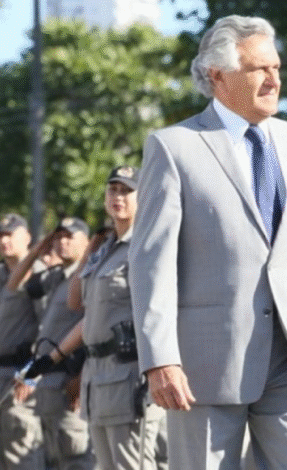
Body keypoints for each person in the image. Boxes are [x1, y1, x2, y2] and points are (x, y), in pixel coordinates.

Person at [128, 15, 287, 470]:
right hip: (204, 367)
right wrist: (160, 358)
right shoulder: (173, 147)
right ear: (216, 75)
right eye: (259, 69)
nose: (274, 79)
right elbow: (151, 264)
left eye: (277, 68)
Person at [26, 166, 167, 469]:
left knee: (133, 464)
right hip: (97, 374)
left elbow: (163, 310)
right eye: (112, 190)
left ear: (144, 197)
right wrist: (52, 357)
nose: (118, 196)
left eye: (127, 190)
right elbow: (79, 305)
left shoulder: (147, 245)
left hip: (129, 373)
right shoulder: (104, 251)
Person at [6, 217, 94, 470]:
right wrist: (35, 252)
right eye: (57, 237)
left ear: (86, 243)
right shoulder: (56, 278)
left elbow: (95, 328)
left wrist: (80, 379)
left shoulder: (87, 278)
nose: (61, 242)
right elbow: (13, 288)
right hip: (48, 384)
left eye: (69, 237)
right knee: (53, 461)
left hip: (68, 383)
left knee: (77, 460)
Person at [0, 214, 45, 469]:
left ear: (27, 237)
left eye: (10, 234)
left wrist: (32, 375)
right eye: (0, 235)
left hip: (20, 378)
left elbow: (49, 329)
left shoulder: (39, 276)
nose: (4, 240)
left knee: (23, 456)